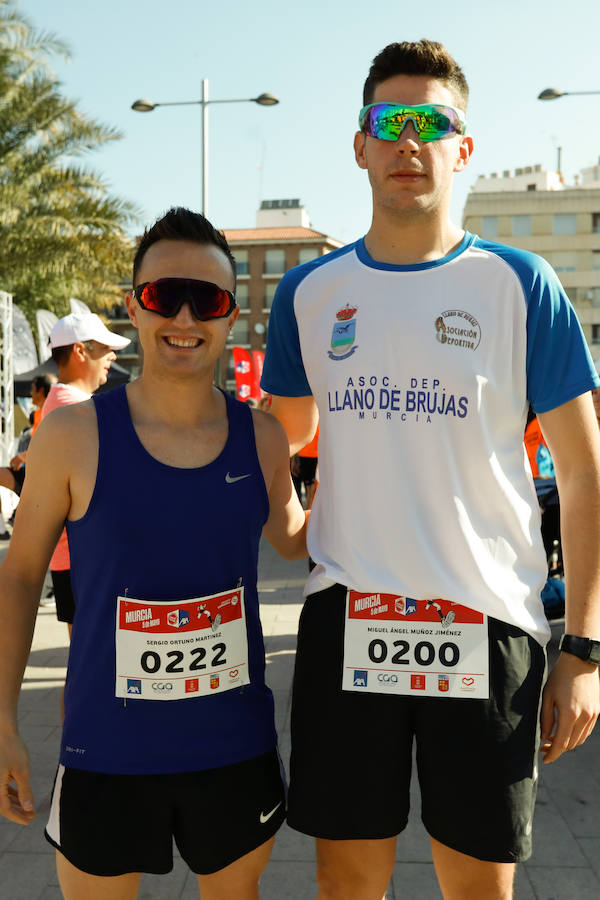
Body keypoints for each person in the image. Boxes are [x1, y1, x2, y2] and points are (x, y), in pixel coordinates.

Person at [261, 39, 600, 900]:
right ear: (360, 143)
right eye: (388, 121)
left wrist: (586, 650)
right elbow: (282, 430)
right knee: (345, 881)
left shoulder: (522, 286)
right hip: (349, 618)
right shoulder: (308, 294)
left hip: (488, 623)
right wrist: (286, 521)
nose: (408, 141)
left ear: (463, 146)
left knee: (479, 886)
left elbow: (588, 479)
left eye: (431, 122)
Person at [0, 207, 308, 900]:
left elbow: (297, 536)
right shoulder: (72, 435)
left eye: (210, 300)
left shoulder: (260, 437)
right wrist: (3, 722)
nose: (186, 317)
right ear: (135, 306)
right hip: (106, 751)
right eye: (165, 296)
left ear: (232, 316)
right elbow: (19, 578)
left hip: (234, 749)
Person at [42, 313, 131, 634]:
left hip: (78, 557)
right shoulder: (75, 410)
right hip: (84, 559)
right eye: (105, 348)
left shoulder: (65, 405)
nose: (113, 356)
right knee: (91, 667)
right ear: (81, 351)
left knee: (87, 664)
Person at [0, 374, 58, 538]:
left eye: (32, 389)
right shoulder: (38, 414)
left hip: (42, 481)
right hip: (30, 476)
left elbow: (49, 448)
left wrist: (23, 456)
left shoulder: (54, 412)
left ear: (40, 391)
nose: (30, 393)